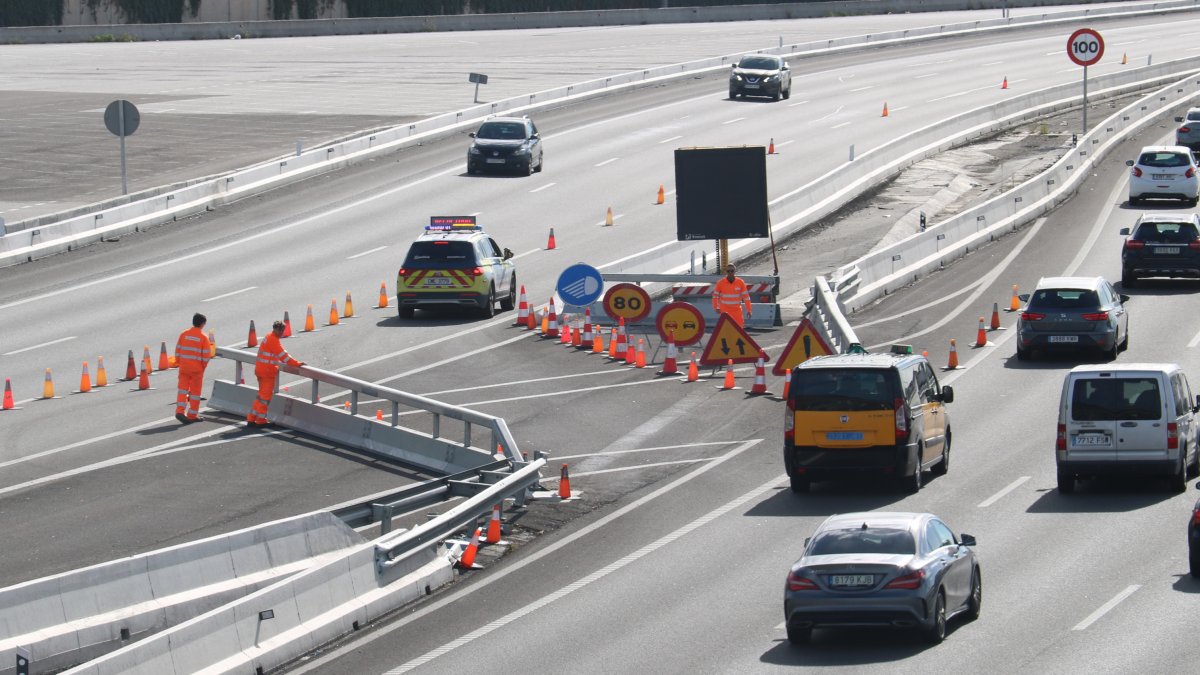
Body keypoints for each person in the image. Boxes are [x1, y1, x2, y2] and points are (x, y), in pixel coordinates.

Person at [247, 320, 305, 427]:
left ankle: (252, 418)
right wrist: (297, 363)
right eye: (282, 330)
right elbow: (284, 356)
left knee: (261, 396)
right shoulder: (273, 340)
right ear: (279, 330)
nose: (282, 333)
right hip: (267, 372)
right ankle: (260, 420)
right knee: (265, 398)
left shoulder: (268, 336)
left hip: (261, 370)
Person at [174, 312, 212, 424]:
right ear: (202, 324)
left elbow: (178, 350)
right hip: (196, 370)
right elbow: (206, 356)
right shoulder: (203, 337)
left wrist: (180, 363)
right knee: (195, 393)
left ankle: (179, 411)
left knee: (182, 390)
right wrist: (202, 367)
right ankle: (192, 415)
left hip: (184, 367)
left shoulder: (184, 334)